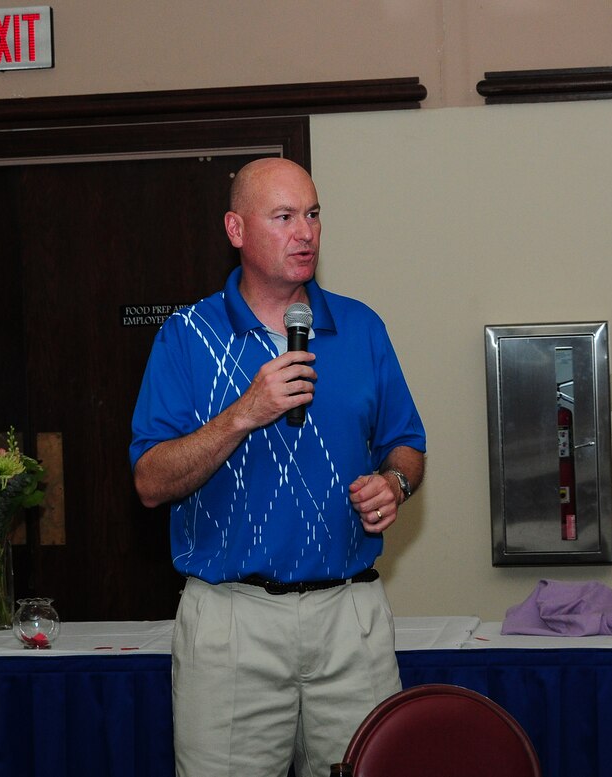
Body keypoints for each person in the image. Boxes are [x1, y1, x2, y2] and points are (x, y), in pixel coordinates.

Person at [129, 157, 426, 777]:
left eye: (313, 214)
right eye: (285, 217)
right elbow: (151, 482)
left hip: (350, 617)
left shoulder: (361, 327)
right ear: (236, 230)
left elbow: (406, 443)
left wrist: (394, 482)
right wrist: (244, 412)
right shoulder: (187, 335)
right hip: (233, 619)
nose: (306, 233)